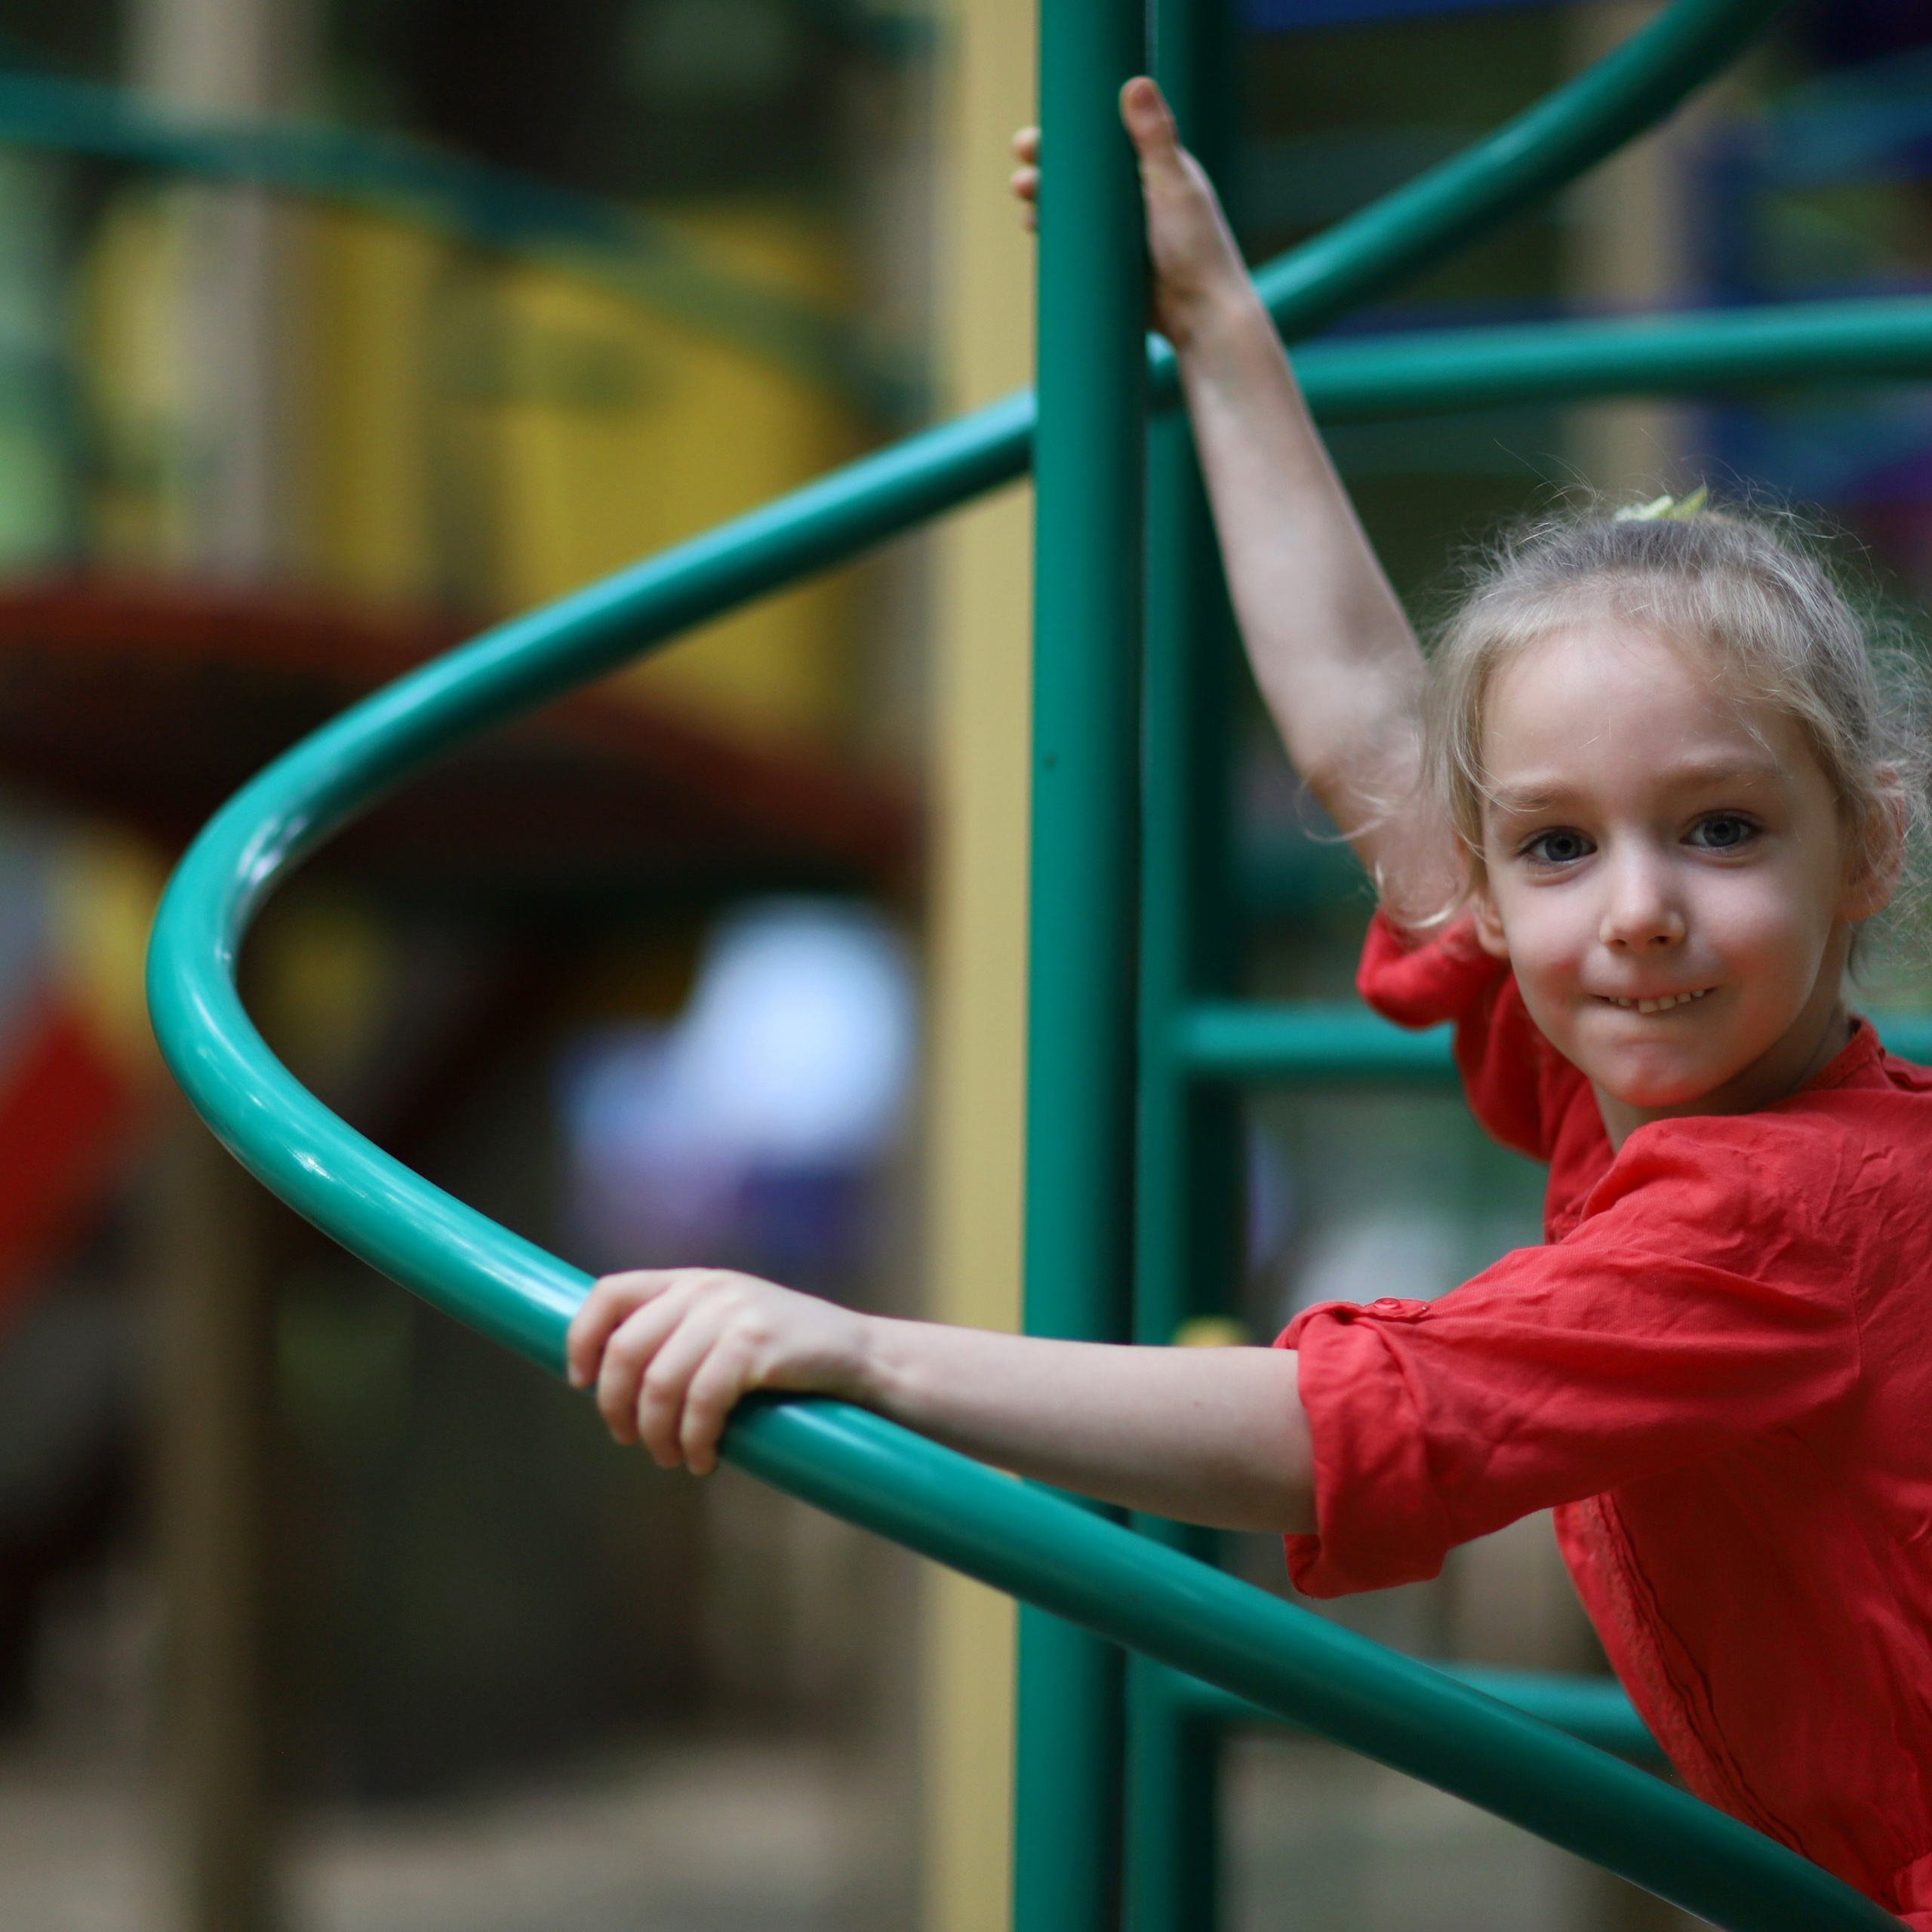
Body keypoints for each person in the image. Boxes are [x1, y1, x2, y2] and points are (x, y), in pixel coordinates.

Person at [570, 77, 1932, 1920]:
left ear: (1864, 850)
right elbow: (1377, 737)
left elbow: (1355, 1422)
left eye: (1715, 828)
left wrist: (865, 1350)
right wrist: (1214, 325)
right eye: (1551, 847)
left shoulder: (1788, 1206)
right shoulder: (1670, 1076)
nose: (1633, 912)